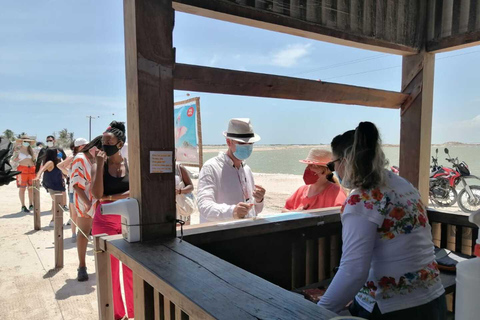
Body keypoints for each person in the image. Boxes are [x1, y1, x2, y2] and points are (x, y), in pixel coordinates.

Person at [317, 122, 445, 319]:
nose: (335, 172)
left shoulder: (362, 200)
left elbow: (353, 271)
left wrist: (316, 312)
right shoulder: (402, 185)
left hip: (393, 307)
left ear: (344, 161)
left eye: (333, 166)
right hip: (433, 296)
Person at [91, 121, 134, 320]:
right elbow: (97, 194)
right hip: (104, 222)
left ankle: (135, 312)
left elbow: (135, 192)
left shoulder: (129, 164)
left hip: (127, 221)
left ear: (120, 143)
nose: (104, 144)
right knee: (110, 272)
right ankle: (117, 315)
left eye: (109, 141)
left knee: (131, 269)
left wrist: (109, 198)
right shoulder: (97, 164)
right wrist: (100, 165)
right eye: (103, 141)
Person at [197, 118, 266, 223]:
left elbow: (255, 210)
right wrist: (232, 212)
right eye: (242, 143)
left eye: (250, 144)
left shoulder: (246, 169)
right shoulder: (211, 168)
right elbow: (204, 206)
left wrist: (259, 200)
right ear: (229, 142)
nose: (247, 147)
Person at [71, 135, 102, 282]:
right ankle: (82, 266)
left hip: (97, 201)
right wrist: (87, 203)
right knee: (83, 233)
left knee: (96, 233)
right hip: (86, 202)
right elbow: (76, 184)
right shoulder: (80, 158)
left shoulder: (95, 159)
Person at [58, 137, 88, 242]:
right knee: (74, 213)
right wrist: (70, 174)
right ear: (79, 147)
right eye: (84, 145)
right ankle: (74, 233)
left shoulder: (86, 156)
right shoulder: (73, 156)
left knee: (85, 211)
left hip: (84, 188)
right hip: (73, 189)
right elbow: (60, 165)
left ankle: (84, 232)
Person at [36, 148, 66, 226]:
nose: (60, 153)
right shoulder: (50, 162)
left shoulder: (58, 162)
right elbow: (42, 169)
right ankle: (54, 220)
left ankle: (54, 220)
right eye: (58, 152)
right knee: (57, 203)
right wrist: (38, 176)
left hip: (58, 185)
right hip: (53, 185)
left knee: (55, 203)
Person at [12, 135, 36, 212]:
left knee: (31, 189)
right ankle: (23, 205)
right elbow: (13, 159)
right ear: (22, 142)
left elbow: (34, 161)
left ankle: (31, 204)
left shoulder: (31, 150)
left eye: (28, 141)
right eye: (25, 141)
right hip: (22, 169)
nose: (26, 143)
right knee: (22, 188)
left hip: (32, 169)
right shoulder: (18, 150)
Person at [175, 160, 194, 225]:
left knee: (184, 230)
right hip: (165, 207)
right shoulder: (157, 168)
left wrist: (179, 191)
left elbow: (191, 186)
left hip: (182, 205)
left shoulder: (179, 167)